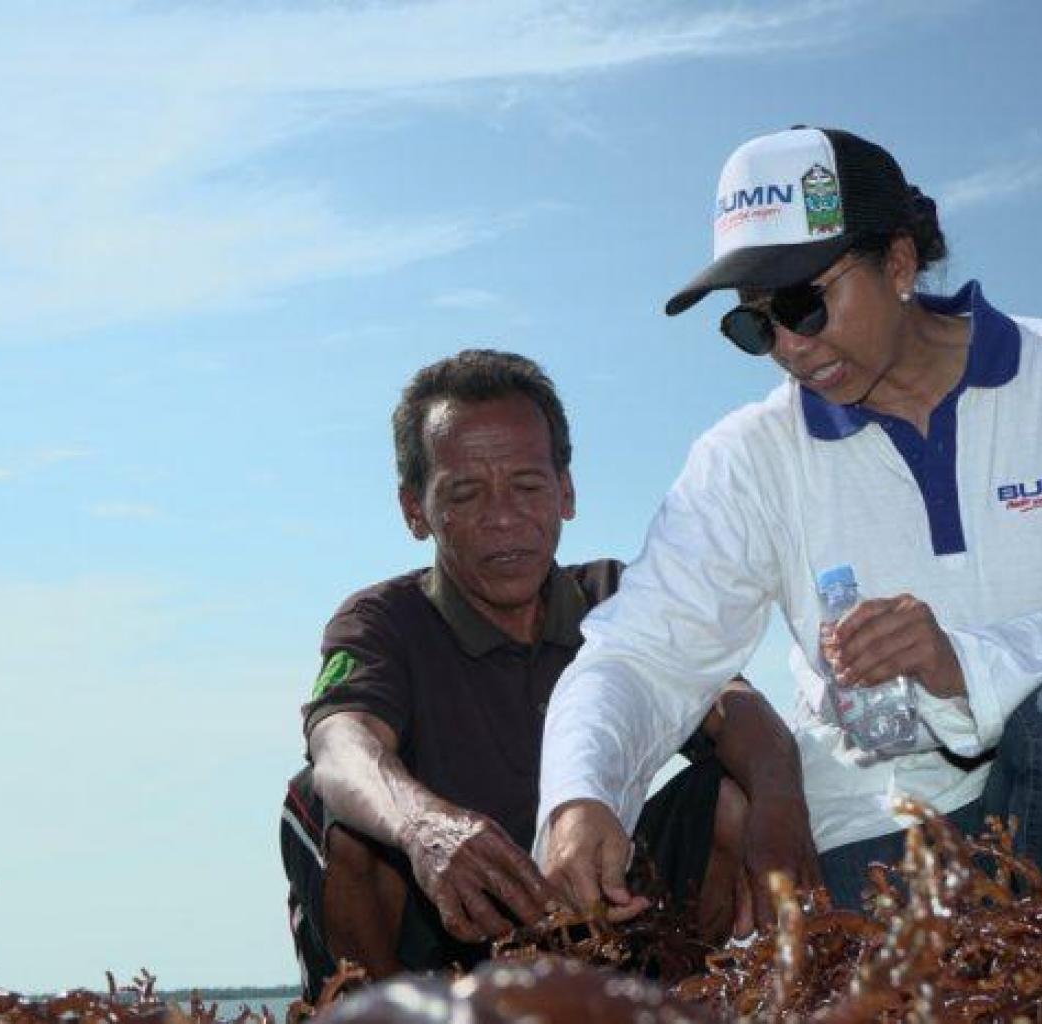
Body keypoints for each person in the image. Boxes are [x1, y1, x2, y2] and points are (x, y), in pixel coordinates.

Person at [538, 126, 1042, 913]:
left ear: (900, 263)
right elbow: (642, 655)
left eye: (805, 305)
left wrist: (964, 663)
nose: (789, 347)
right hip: (876, 832)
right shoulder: (749, 457)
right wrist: (581, 793)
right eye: (754, 324)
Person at [279, 350, 815, 1000]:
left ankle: (667, 1008)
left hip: (600, 917)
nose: (503, 516)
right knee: (328, 808)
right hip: (439, 933)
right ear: (415, 509)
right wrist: (426, 829)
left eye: (528, 486)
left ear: (567, 492)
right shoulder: (381, 622)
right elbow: (341, 747)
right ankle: (375, 1014)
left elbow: (738, 711)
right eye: (464, 493)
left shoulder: (616, 597)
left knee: (735, 796)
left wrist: (781, 810)